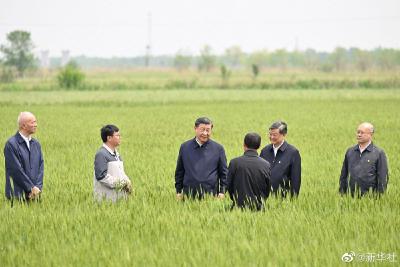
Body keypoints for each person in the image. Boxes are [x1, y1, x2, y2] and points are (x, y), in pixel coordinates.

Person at [175, 117, 228, 200]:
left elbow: (224, 173)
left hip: (211, 196)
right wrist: (178, 191)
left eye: (208, 130)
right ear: (195, 129)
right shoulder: (184, 147)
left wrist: (222, 192)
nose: (205, 133)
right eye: (202, 129)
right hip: (188, 196)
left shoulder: (218, 149)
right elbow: (179, 171)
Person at [339, 122, 388, 197]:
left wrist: (379, 198)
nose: (359, 134)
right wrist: (342, 193)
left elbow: (382, 178)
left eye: (362, 133)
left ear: (370, 135)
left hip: (370, 198)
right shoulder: (350, 151)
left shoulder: (379, 153)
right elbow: (343, 175)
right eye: (358, 132)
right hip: (351, 197)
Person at [4, 112, 44, 202]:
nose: (36, 125)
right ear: (23, 125)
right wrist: (30, 188)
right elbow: (16, 170)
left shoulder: (36, 144)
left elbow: (41, 167)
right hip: (17, 197)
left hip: (35, 196)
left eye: (35, 122)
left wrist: (37, 187)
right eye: (32, 122)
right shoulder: (11, 144)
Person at [227, 132, 271, 211]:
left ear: (244, 144)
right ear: (259, 146)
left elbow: (229, 186)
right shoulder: (266, 164)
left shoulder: (234, 163)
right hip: (259, 209)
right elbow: (267, 189)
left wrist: (235, 199)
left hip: (238, 208)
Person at [260, 121, 301, 198]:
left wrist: (293, 200)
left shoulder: (293, 153)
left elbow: (296, 180)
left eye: (274, 135)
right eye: (270, 134)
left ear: (284, 135)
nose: (271, 137)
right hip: (264, 198)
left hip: (282, 198)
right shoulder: (264, 151)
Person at [94, 124, 132, 202]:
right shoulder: (101, 154)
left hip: (119, 200)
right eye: (117, 135)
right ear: (109, 138)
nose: (120, 137)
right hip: (106, 200)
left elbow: (121, 173)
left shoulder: (117, 155)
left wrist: (128, 182)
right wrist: (121, 184)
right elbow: (101, 176)